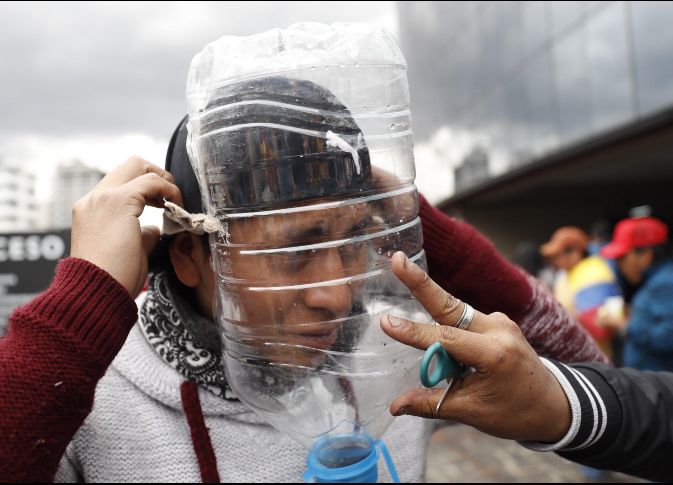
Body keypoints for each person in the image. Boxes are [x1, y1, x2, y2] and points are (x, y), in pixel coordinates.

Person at [0, 78, 605, 482]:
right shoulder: (85, 397)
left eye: (347, 243)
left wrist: (426, 227)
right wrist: (80, 307)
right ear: (189, 257)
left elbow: (593, 380)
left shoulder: (392, 348)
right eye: (294, 252)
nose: (336, 295)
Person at [378, 250, 673, 482]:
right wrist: (559, 401)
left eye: (560, 254)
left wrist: (627, 327)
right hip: (617, 391)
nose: (555, 261)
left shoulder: (623, 278)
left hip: (631, 375)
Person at [597, 216, 673, 373]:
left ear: (646, 255)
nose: (619, 265)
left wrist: (623, 326)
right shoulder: (662, 279)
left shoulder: (669, 284)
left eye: (622, 257)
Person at [541, 226, 622, 358]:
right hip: (578, 354)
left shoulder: (592, 271)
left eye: (557, 255)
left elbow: (600, 328)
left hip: (599, 357)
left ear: (574, 252)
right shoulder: (565, 273)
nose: (554, 261)